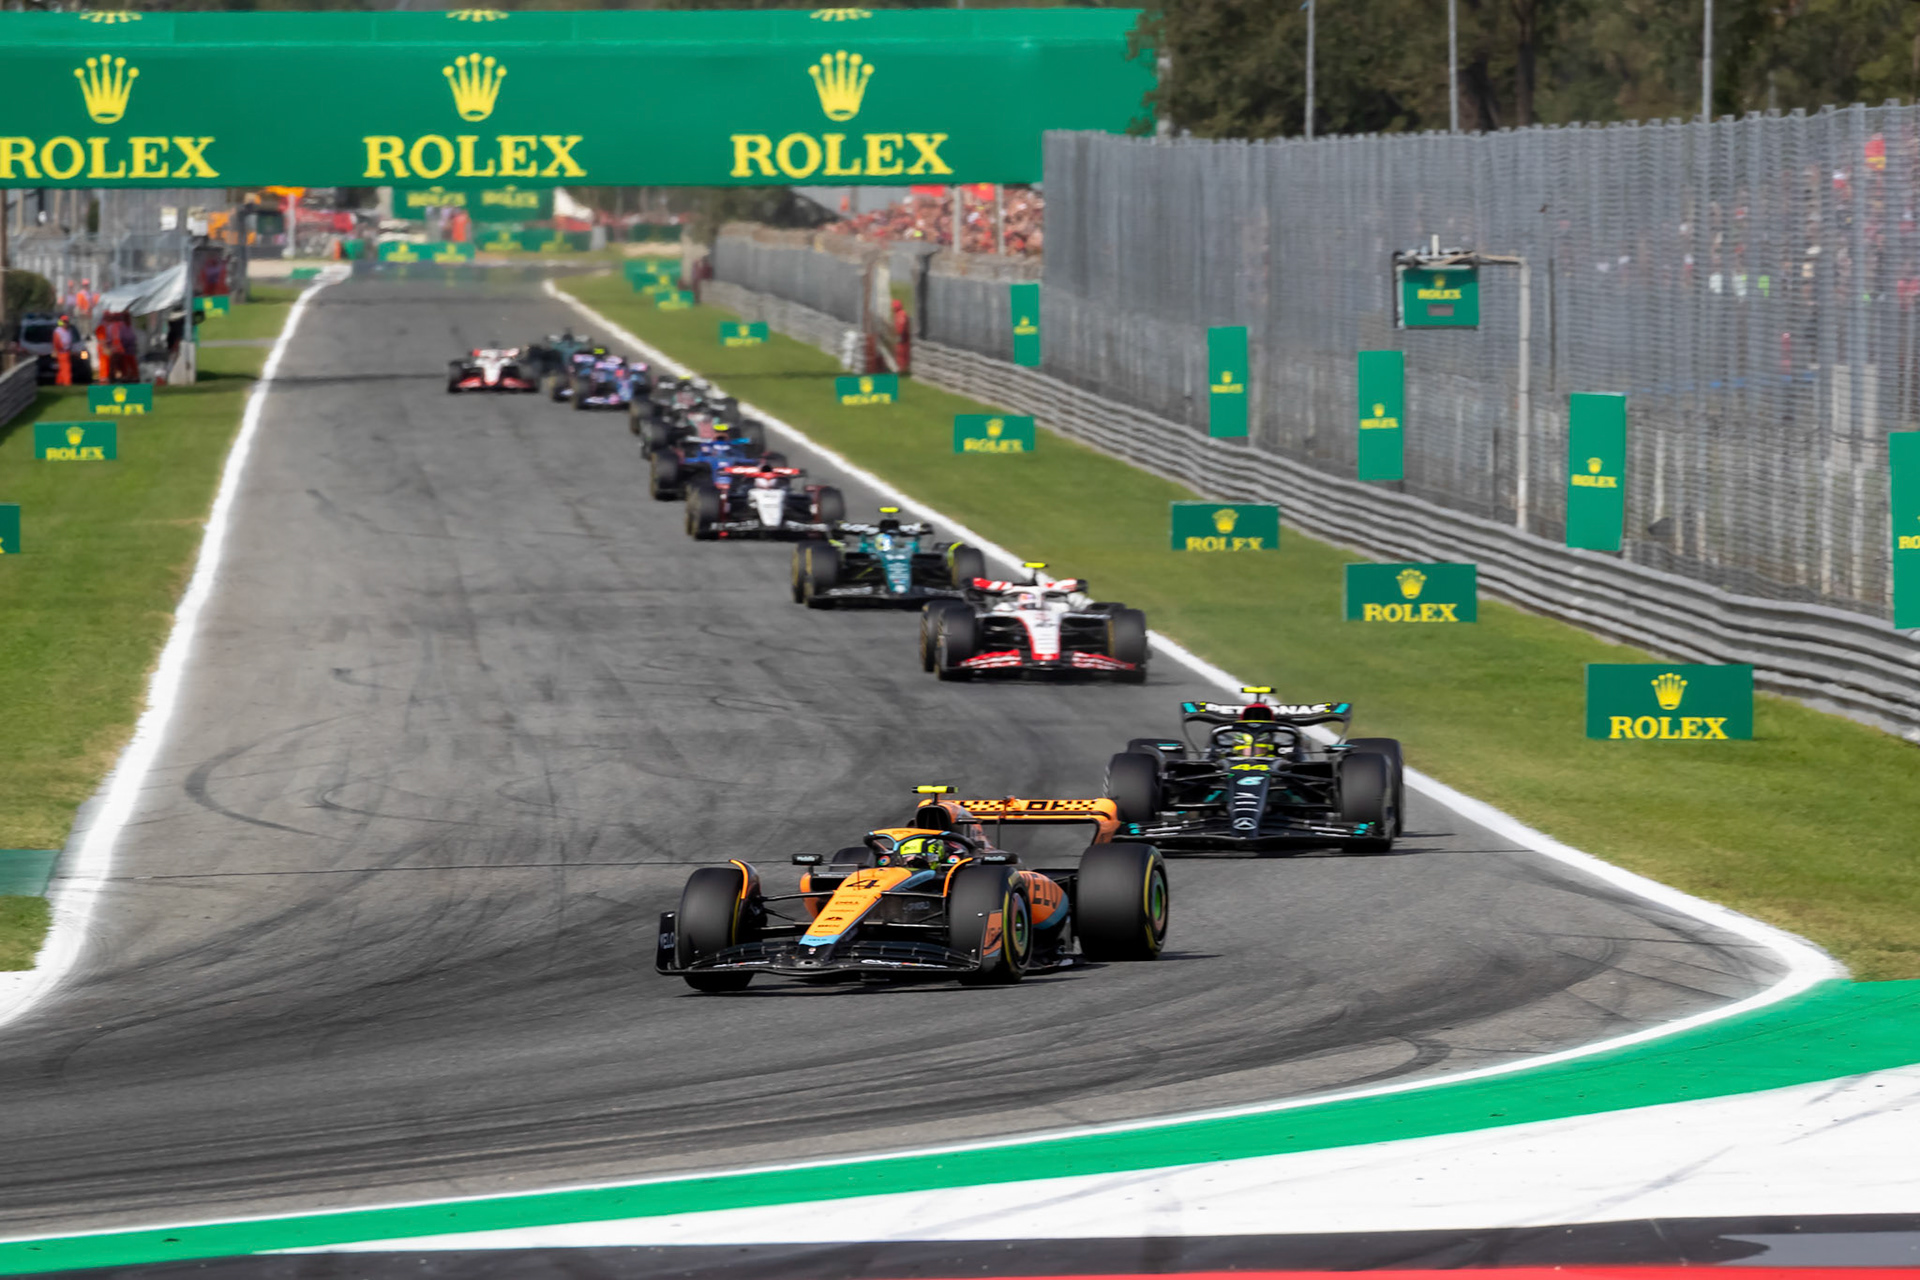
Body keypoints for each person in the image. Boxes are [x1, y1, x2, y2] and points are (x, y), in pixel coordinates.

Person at [50, 314, 75, 385]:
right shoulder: (58, 331)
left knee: (62, 369)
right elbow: (56, 342)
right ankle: (67, 384)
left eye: (66, 322)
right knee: (66, 369)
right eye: (64, 322)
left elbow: (70, 342)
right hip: (61, 352)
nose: (65, 323)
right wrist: (57, 350)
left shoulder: (68, 331)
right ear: (61, 322)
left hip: (67, 352)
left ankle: (59, 382)